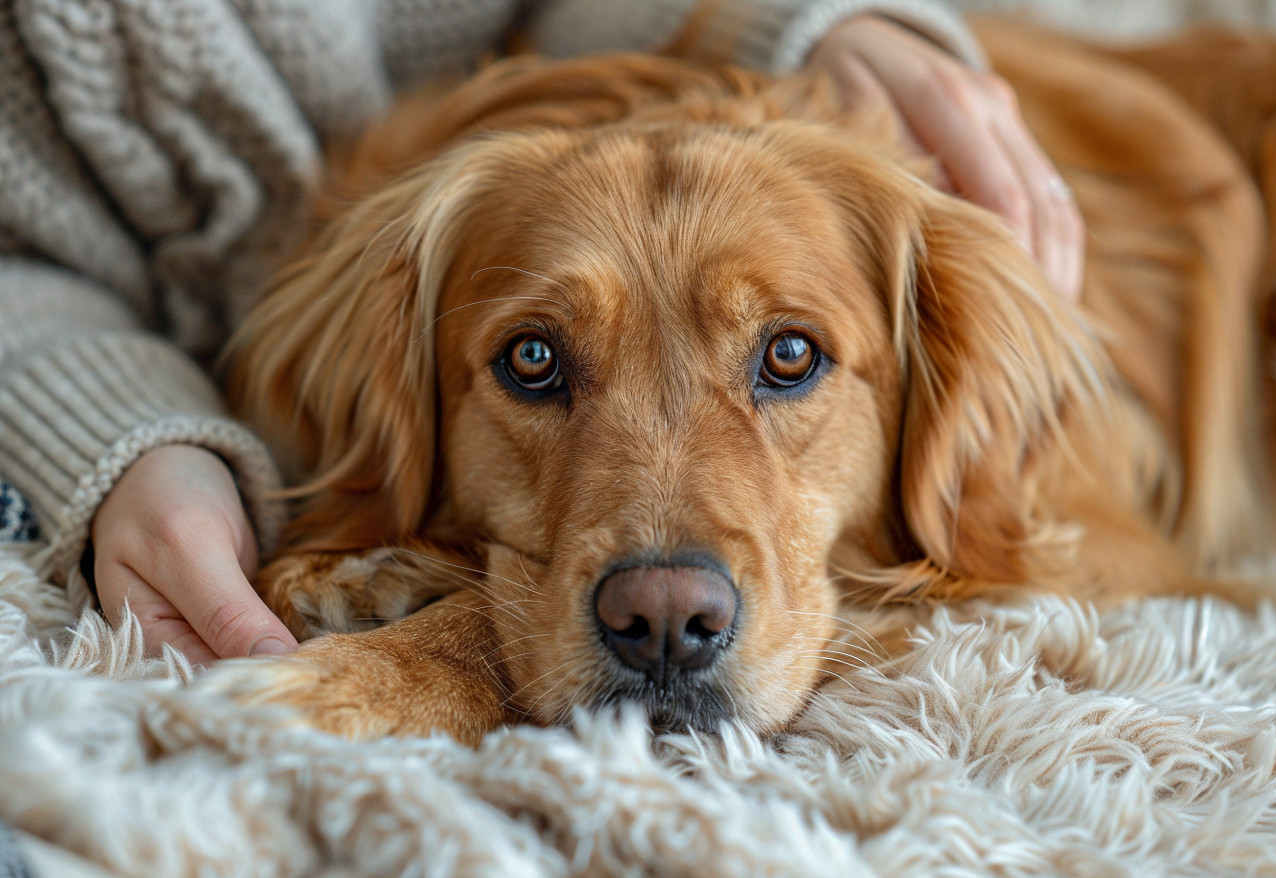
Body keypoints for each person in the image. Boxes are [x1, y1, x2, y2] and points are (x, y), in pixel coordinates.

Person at [0, 0, 1084, 664]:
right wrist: (133, 432)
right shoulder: (410, 283)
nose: (672, 593)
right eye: (535, 362)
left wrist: (805, 10)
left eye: (787, 359)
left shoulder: (919, 280)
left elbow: (1004, 554)